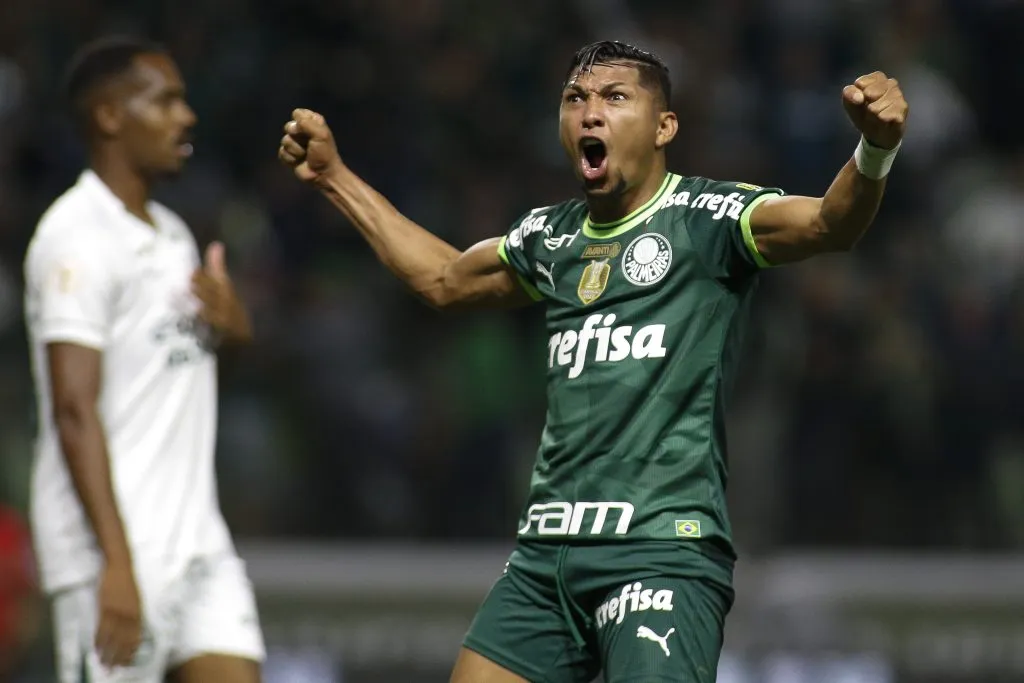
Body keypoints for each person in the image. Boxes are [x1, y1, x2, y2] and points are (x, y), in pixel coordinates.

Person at [278, 40, 908, 683]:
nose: (590, 113)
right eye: (575, 98)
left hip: (659, 552)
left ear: (664, 127)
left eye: (614, 98)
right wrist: (334, 177)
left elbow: (833, 224)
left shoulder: (708, 218)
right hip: (545, 557)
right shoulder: (550, 237)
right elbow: (443, 278)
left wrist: (874, 150)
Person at [23, 37, 264, 683]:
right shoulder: (74, 236)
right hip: (112, 550)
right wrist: (118, 564)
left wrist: (233, 331)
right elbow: (74, 410)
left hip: (197, 541)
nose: (185, 117)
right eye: (165, 100)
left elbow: (193, 378)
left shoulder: (173, 234)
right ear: (108, 116)